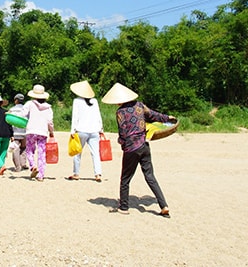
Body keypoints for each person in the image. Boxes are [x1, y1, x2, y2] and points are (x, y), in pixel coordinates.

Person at [102, 83, 176, 217]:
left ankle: (124, 207)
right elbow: (154, 115)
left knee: (125, 179)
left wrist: (122, 143)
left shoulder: (120, 112)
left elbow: (123, 132)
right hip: (144, 145)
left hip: (131, 148)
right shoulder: (140, 106)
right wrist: (167, 118)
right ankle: (163, 205)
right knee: (150, 176)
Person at [67, 80, 104, 182]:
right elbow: (98, 115)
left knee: (77, 152)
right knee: (95, 153)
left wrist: (72, 130)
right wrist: (101, 129)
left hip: (81, 130)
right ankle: (98, 174)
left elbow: (75, 117)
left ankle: (76, 173)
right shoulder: (95, 101)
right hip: (94, 130)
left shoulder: (77, 101)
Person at [21, 85, 54, 182]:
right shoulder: (48, 107)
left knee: (29, 150)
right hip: (43, 132)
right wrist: (51, 132)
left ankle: (33, 166)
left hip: (31, 130)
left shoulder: (29, 104)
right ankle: (41, 175)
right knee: (41, 153)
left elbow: (22, 114)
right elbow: (50, 121)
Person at [8, 93, 28, 172]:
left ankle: (17, 166)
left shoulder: (12, 109)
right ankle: (23, 163)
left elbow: (8, 120)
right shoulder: (26, 109)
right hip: (25, 132)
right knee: (23, 148)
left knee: (15, 149)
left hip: (15, 132)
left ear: (16, 100)